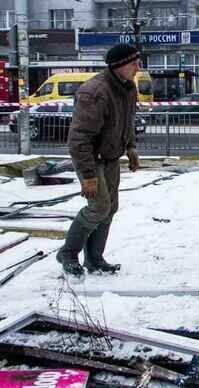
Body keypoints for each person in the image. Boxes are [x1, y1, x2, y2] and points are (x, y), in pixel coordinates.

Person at [56, 43, 141, 278]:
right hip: (90, 158)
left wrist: (131, 148)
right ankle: (68, 254)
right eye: (133, 63)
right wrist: (89, 176)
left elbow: (127, 121)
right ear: (119, 66)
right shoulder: (95, 92)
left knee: (110, 208)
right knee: (99, 207)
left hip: (111, 157)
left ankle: (94, 259)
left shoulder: (127, 88)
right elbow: (78, 139)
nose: (138, 67)